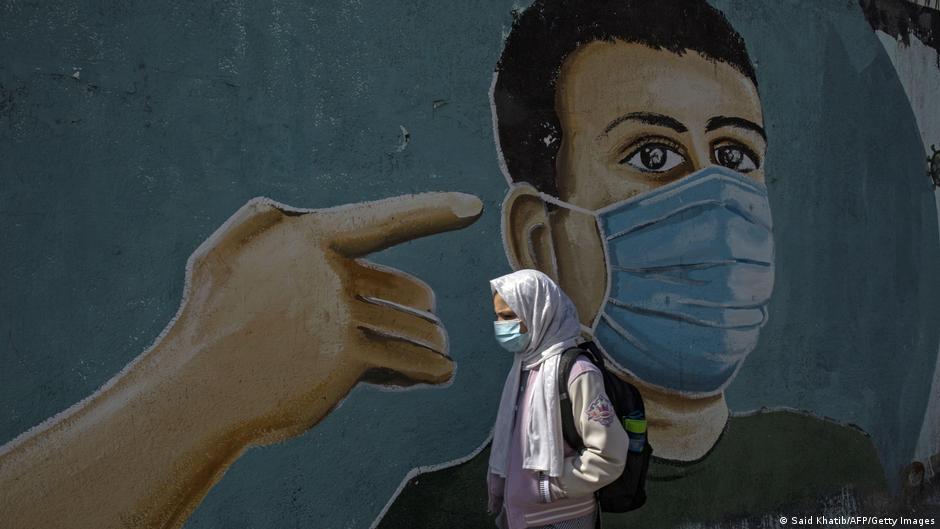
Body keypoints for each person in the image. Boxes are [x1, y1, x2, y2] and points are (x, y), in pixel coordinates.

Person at [487, 269, 628, 529]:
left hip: (562, 519)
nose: (500, 325)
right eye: (497, 316)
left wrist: (549, 486)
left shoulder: (577, 372)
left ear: (537, 312)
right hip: (520, 517)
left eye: (508, 316)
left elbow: (609, 455)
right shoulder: (524, 368)